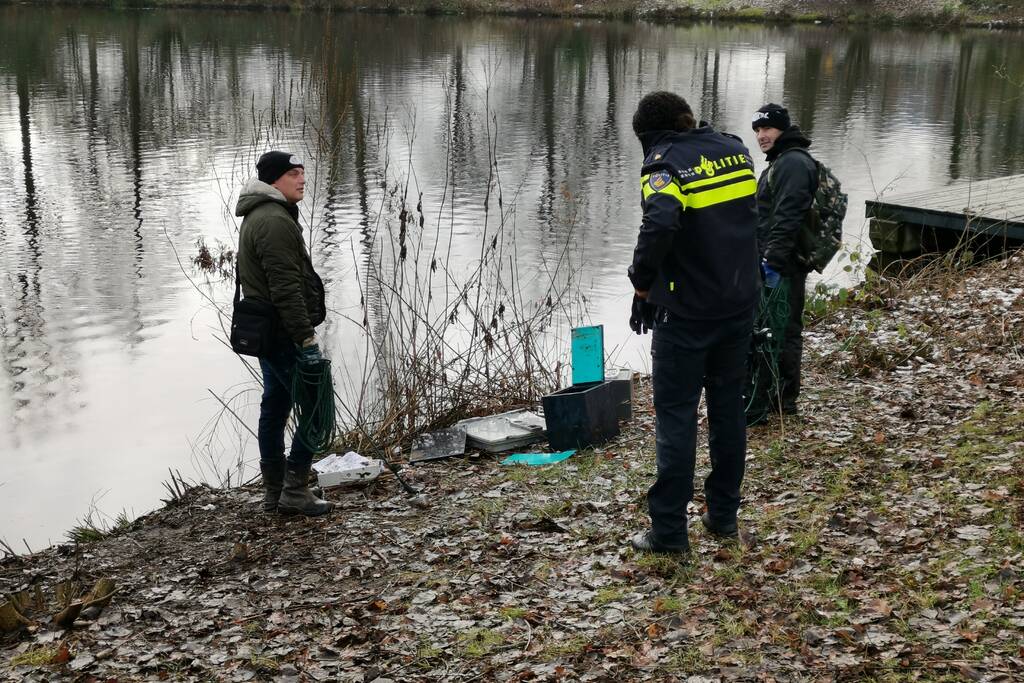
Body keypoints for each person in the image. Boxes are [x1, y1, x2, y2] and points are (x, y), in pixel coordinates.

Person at [627, 92, 760, 555]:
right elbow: (747, 220)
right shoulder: (735, 150)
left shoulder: (663, 166)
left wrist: (642, 285)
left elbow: (660, 223)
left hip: (685, 315)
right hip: (738, 304)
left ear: (650, 135)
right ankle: (722, 516)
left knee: (677, 418)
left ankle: (668, 532)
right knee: (727, 412)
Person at [236, 151, 333, 517]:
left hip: (268, 333)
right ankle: (293, 491)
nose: (302, 179)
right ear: (274, 180)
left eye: (303, 173)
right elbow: (286, 290)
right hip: (283, 335)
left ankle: (275, 491)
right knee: (316, 411)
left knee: (275, 406)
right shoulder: (274, 221)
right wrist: (306, 340)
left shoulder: (263, 214)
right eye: (294, 174)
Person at [750, 103, 817, 417]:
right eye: (758, 130)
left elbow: (787, 219)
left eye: (767, 129)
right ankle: (772, 396)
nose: (762, 136)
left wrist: (772, 264)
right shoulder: (781, 160)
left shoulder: (791, 163)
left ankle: (782, 401)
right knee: (773, 330)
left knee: (784, 331)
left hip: (785, 265)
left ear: (782, 129)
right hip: (778, 261)